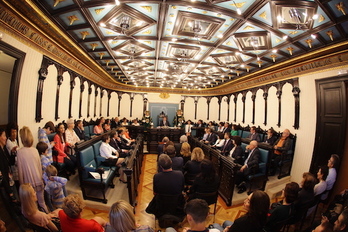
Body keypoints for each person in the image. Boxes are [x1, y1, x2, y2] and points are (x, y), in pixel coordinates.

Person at [17, 126, 48, 213]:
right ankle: (49, 221)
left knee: (33, 207)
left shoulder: (20, 152)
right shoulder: (35, 150)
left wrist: (21, 186)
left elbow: (20, 172)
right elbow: (39, 167)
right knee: (42, 203)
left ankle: (39, 224)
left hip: (28, 184)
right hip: (39, 181)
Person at [0, 128, 17, 203]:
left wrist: (13, 153)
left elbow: (11, 163)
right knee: (11, 204)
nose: (6, 138)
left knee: (16, 200)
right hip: (5, 184)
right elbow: (1, 173)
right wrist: (9, 191)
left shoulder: (4, 149)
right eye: (4, 136)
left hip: (10, 180)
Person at [5, 122, 19, 186]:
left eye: (15, 132)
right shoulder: (8, 143)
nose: (14, 134)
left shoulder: (15, 141)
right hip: (13, 169)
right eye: (13, 132)